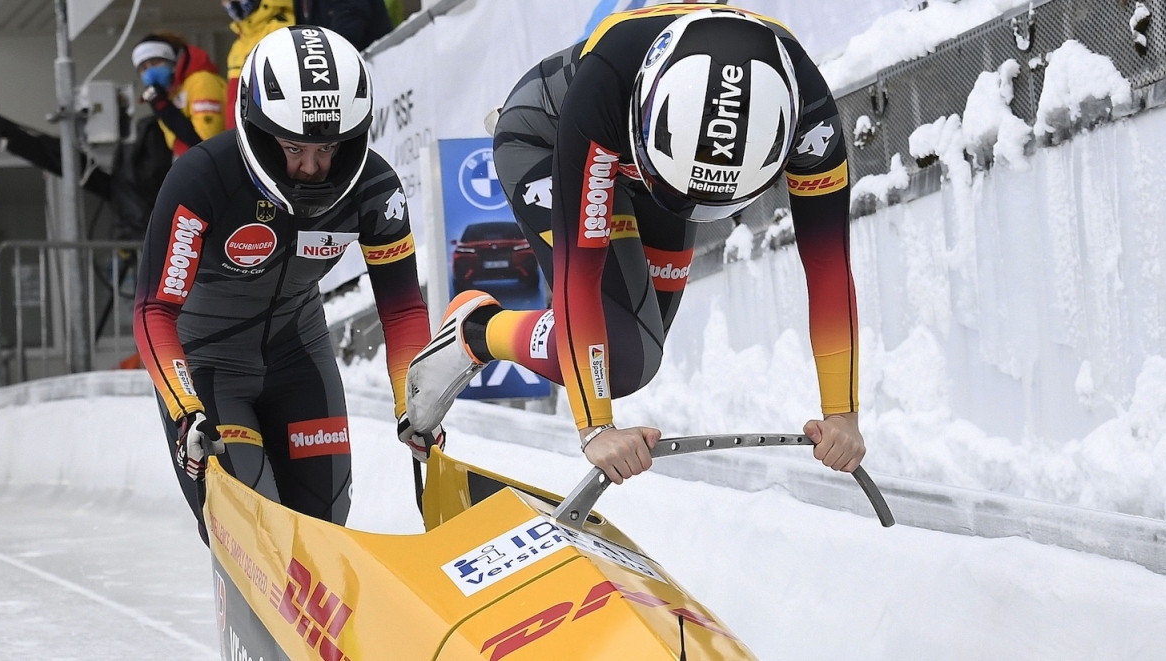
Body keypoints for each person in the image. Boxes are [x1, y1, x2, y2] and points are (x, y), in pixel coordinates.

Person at [404, 5, 866, 485]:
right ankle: (478, 331)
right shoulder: (606, 85)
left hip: (657, 172)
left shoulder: (812, 116)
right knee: (624, 360)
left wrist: (843, 413)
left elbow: (829, 265)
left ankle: (498, 331)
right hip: (553, 142)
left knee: (644, 344)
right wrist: (596, 429)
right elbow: (575, 274)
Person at [133, 26, 432, 545]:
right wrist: (185, 411)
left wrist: (415, 403)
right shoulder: (202, 179)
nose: (313, 167)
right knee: (253, 531)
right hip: (210, 367)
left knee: (324, 525)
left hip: (299, 358)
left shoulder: (375, 189)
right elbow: (154, 309)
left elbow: (402, 310)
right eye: (294, 147)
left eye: (329, 149)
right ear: (259, 129)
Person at [131, 32, 227, 157]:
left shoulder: (201, 81)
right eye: (143, 68)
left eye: (155, 63)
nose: (150, 72)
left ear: (172, 62)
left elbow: (207, 144)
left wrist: (164, 108)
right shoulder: (168, 93)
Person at [221, 0, 295, 130]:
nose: (228, 4)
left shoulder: (281, 29)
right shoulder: (239, 42)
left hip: (266, 136)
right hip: (238, 137)